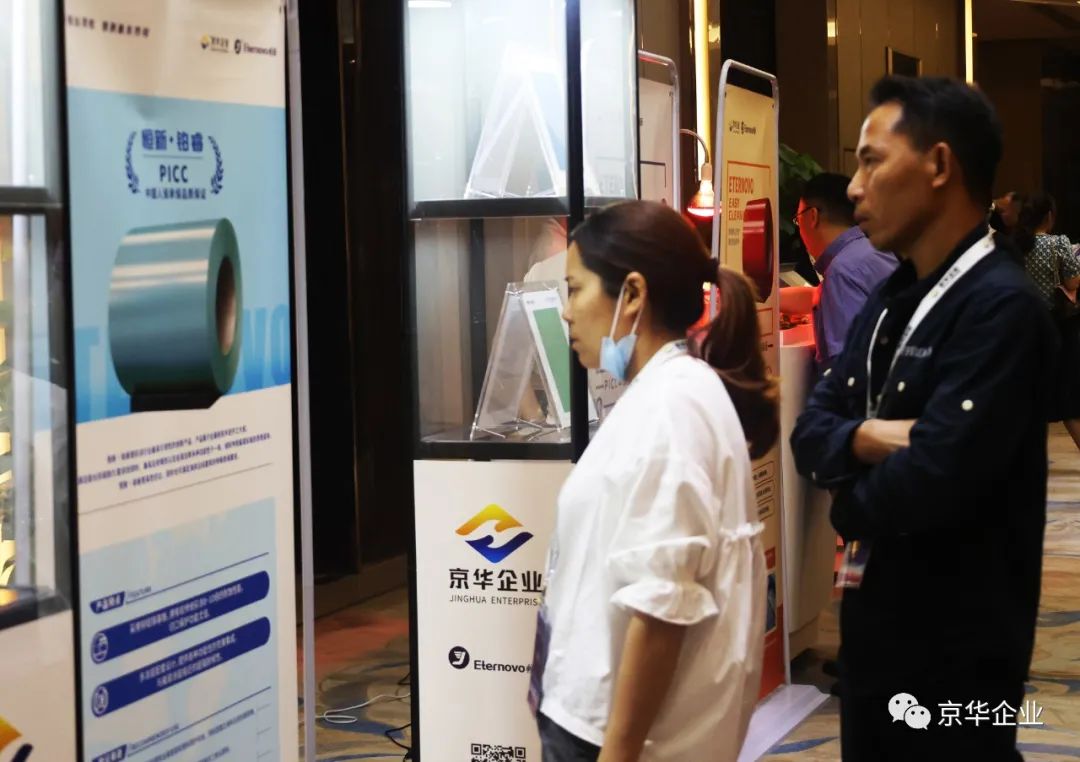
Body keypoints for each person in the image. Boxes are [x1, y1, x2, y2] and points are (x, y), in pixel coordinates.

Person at [791, 76, 1055, 761]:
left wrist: (848, 496)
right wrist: (870, 437)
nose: (855, 188)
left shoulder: (1002, 307)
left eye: (872, 161)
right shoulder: (890, 296)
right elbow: (810, 431)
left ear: (939, 165)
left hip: (960, 646)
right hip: (877, 628)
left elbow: (938, 474)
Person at [529, 200, 777, 762]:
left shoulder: (673, 406)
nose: (565, 312)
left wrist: (617, 753)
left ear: (633, 294)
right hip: (589, 714)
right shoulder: (662, 393)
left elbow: (661, 605)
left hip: (613, 736)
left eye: (575, 289)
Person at [782, 172, 897, 374]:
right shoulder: (875, 252)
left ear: (812, 217)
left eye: (798, 220)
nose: (799, 230)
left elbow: (845, 371)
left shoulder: (841, 272)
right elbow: (817, 295)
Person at [1015, 191, 1080, 449]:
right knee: (1069, 396)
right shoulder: (1059, 243)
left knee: (1031, 395)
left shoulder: (1016, 245)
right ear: (1049, 216)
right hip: (1059, 325)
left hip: (1027, 325)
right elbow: (1072, 282)